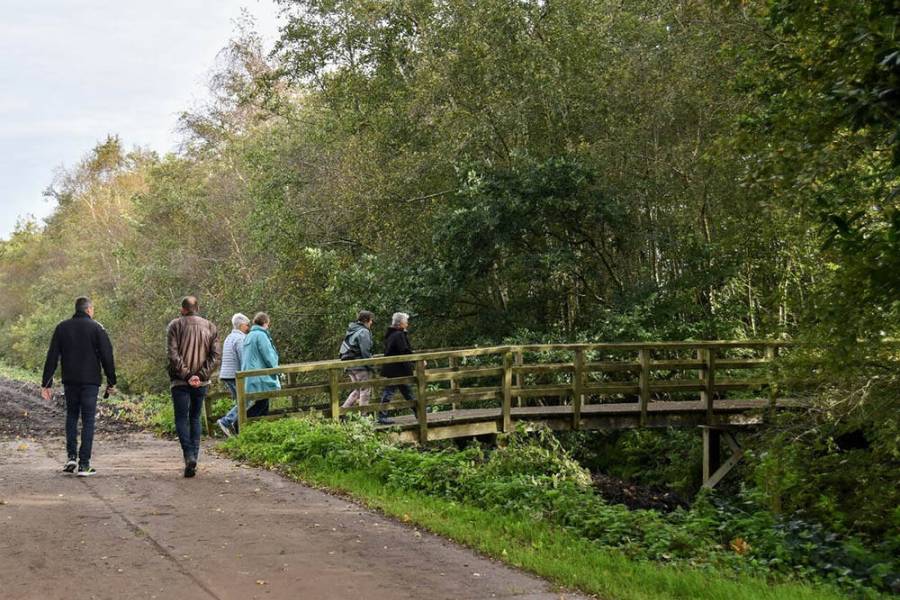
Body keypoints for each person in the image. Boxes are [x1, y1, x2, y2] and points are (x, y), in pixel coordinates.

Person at [41, 296, 117, 476]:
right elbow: (107, 356)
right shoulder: (97, 328)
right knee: (88, 420)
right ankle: (84, 464)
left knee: (72, 416)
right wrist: (111, 381)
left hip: (70, 380)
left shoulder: (62, 327)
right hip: (90, 381)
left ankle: (71, 457)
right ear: (89, 309)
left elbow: (52, 356)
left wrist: (46, 383)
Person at [167, 296, 219, 478]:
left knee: (181, 418)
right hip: (201, 381)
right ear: (197, 308)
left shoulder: (175, 325)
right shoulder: (211, 326)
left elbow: (173, 354)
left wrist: (188, 375)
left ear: (183, 309)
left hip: (180, 381)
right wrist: (201, 375)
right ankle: (194, 458)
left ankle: (188, 456)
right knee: (195, 418)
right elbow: (214, 356)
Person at [215, 313, 251, 437]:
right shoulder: (240, 338)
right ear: (241, 325)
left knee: (240, 401)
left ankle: (236, 428)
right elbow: (243, 358)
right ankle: (226, 421)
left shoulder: (230, 337)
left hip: (227, 373)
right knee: (246, 401)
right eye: (247, 325)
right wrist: (247, 374)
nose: (248, 327)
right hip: (234, 375)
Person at [377, 312, 416, 425]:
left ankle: (418, 411)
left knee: (407, 391)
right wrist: (416, 360)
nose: (407, 324)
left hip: (396, 368)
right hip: (395, 369)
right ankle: (381, 416)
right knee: (389, 392)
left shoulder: (393, 334)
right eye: (406, 322)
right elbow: (404, 350)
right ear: (400, 324)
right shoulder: (398, 335)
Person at [240, 312, 280, 419]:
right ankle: (238, 423)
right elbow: (268, 356)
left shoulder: (249, 335)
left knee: (263, 403)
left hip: (251, 375)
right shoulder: (261, 335)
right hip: (260, 376)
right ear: (265, 323)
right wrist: (276, 370)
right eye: (268, 324)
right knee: (262, 403)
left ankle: (260, 426)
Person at [339, 310, 375, 409]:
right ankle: (363, 418)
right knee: (365, 390)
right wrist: (370, 365)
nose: (371, 322)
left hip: (348, 364)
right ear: (366, 320)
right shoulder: (363, 331)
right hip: (358, 365)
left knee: (357, 391)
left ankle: (342, 413)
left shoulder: (353, 330)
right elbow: (365, 351)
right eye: (371, 320)